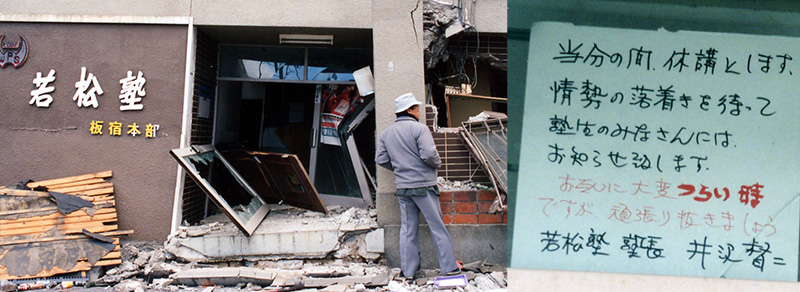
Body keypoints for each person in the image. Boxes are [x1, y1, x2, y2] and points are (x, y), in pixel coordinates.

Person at [375, 92, 460, 279]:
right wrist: (437, 165)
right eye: (417, 108)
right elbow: (430, 155)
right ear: (410, 110)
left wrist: (399, 167)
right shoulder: (420, 129)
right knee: (437, 227)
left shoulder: (386, 133)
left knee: (407, 229)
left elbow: (380, 159)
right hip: (423, 186)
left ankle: (408, 271)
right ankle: (449, 268)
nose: (419, 111)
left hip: (403, 187)